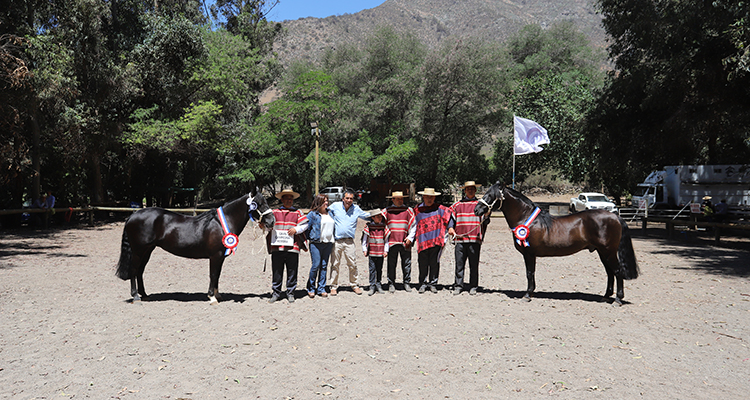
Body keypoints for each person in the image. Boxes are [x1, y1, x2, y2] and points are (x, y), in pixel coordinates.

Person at [448, 181, 489, 296]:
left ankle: (473, 286)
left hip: (474, 239)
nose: (470, 191)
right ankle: (458, 285)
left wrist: (487, 216)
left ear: (475, 190)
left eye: (472, 189)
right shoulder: (457, 205)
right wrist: (450, 227)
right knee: (459, 264)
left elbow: (486, 221)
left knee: (473, 264)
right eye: (468, 189)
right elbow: (451, 218)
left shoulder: (480, 205)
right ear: (464, 191)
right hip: (460, 239)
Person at [267, 189, 308, 303]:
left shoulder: (298, 212)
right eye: (287, 199)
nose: (289, 201)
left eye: (291, 199)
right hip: (277, 246)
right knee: (276, 270)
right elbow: (268, 225)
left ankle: (290, 292)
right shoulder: (274, 212)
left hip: (292, 246)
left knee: (292, 270)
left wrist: (296, 229)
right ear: (282, 200)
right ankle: (276, 293)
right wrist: (263, 226)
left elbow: (305, 225)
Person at [328, 189, 371, 295]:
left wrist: (380, 213)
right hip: (337, 241)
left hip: (349, 241)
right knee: (335, 264)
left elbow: (366, 216)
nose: (349, 200)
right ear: (343, 198)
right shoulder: (335, 206)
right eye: (347, 198)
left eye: (351, 198)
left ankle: (354, 285)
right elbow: (325, 211)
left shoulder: (356, 209)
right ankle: (333, 286)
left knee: (352, 264)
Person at [413, 188, 452, 294]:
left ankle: (433, 284)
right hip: (422, 241)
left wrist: (451, 228)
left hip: (436, 240)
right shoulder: (417, 210)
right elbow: (412, 224)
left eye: (431, 197)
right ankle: (422, 283)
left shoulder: (440, 209)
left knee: (434, 263)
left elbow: (450, 215)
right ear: (423, 197)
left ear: (434, 197)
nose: (429, 199)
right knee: (422, 263)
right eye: (427, 197)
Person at [382, 191, 416, 293]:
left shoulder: (408, 210)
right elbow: (380, 221)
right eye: (397, 199)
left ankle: (406, 282)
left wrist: (410, 237)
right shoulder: (387, 211)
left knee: (406, 263)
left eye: (401, 199)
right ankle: (391, 283)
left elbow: (414, 225)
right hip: (392, 242)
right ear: (392, 200)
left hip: (405, 241)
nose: (400, 201)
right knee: (391, 263)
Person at [306, 194, 335, 298]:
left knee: (324, 266)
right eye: (324, 201)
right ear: (318, 202)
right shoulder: (312, 215)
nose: (326, 203)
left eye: (327, 201)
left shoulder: (331, 213)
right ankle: (311, 287)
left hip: (328, 243)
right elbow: (306, 228)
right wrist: (308, 239)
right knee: (315, 265)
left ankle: (321, 288)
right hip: (316, 243)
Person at [362, 209, 390, 295]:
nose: (379, 218)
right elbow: (365, 239)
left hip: (380, 251)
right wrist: (364, 249)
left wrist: (386, 250)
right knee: (372, 269)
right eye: (377, 217)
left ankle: (378, 284)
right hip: (372, 251)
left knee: (379, 269)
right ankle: (372, 285)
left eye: (380, 216)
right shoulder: (369, 227)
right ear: (373, 218)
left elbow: (386, 239)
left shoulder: (384, 227)